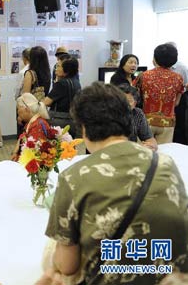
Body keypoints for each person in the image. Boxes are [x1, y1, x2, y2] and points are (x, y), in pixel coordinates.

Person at [40, 82, 188, 284]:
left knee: (54, 257)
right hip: (171, 277)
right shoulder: (165, 163)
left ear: (83, 128)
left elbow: (68, 265)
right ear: (128, 120)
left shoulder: (74, 176)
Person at [136, 43, 184, 144]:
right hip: (168, 122)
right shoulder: (178, 78)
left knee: (143, 152)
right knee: (163, 153)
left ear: (155, 58)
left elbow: (134, 99)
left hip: (146, 121)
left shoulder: (144, 76)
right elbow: (176, 103)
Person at [43, 57, 81, 137]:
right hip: (72, 119)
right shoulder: (76, 82)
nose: (56, 69)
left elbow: (47, 102)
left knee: (58, 147)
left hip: (59, 120)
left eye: (59, 66)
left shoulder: (61, 83)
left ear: (66, 70)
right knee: (69, 146)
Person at [117, 83, 158, 150]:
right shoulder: (109, 113)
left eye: (128, 101)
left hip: (131, 154)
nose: (123, 104)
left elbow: (150, 139)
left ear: (135, 103)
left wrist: (151, 145)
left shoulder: (138, 114)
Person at [11, 93, 50, 161]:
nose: (18, 112)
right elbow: (23, 136)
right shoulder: (32, 122)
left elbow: (34, 153)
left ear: (26, 109)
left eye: (18, 109)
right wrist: (15, 152)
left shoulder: (38, 125)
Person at [14, 48, 31, 136]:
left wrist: (16, 99)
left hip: (22, 105)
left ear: (24, 58)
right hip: (34, 106)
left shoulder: (23, 72)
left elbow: (17, 90)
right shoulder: (37, 70)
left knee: (22, 132)